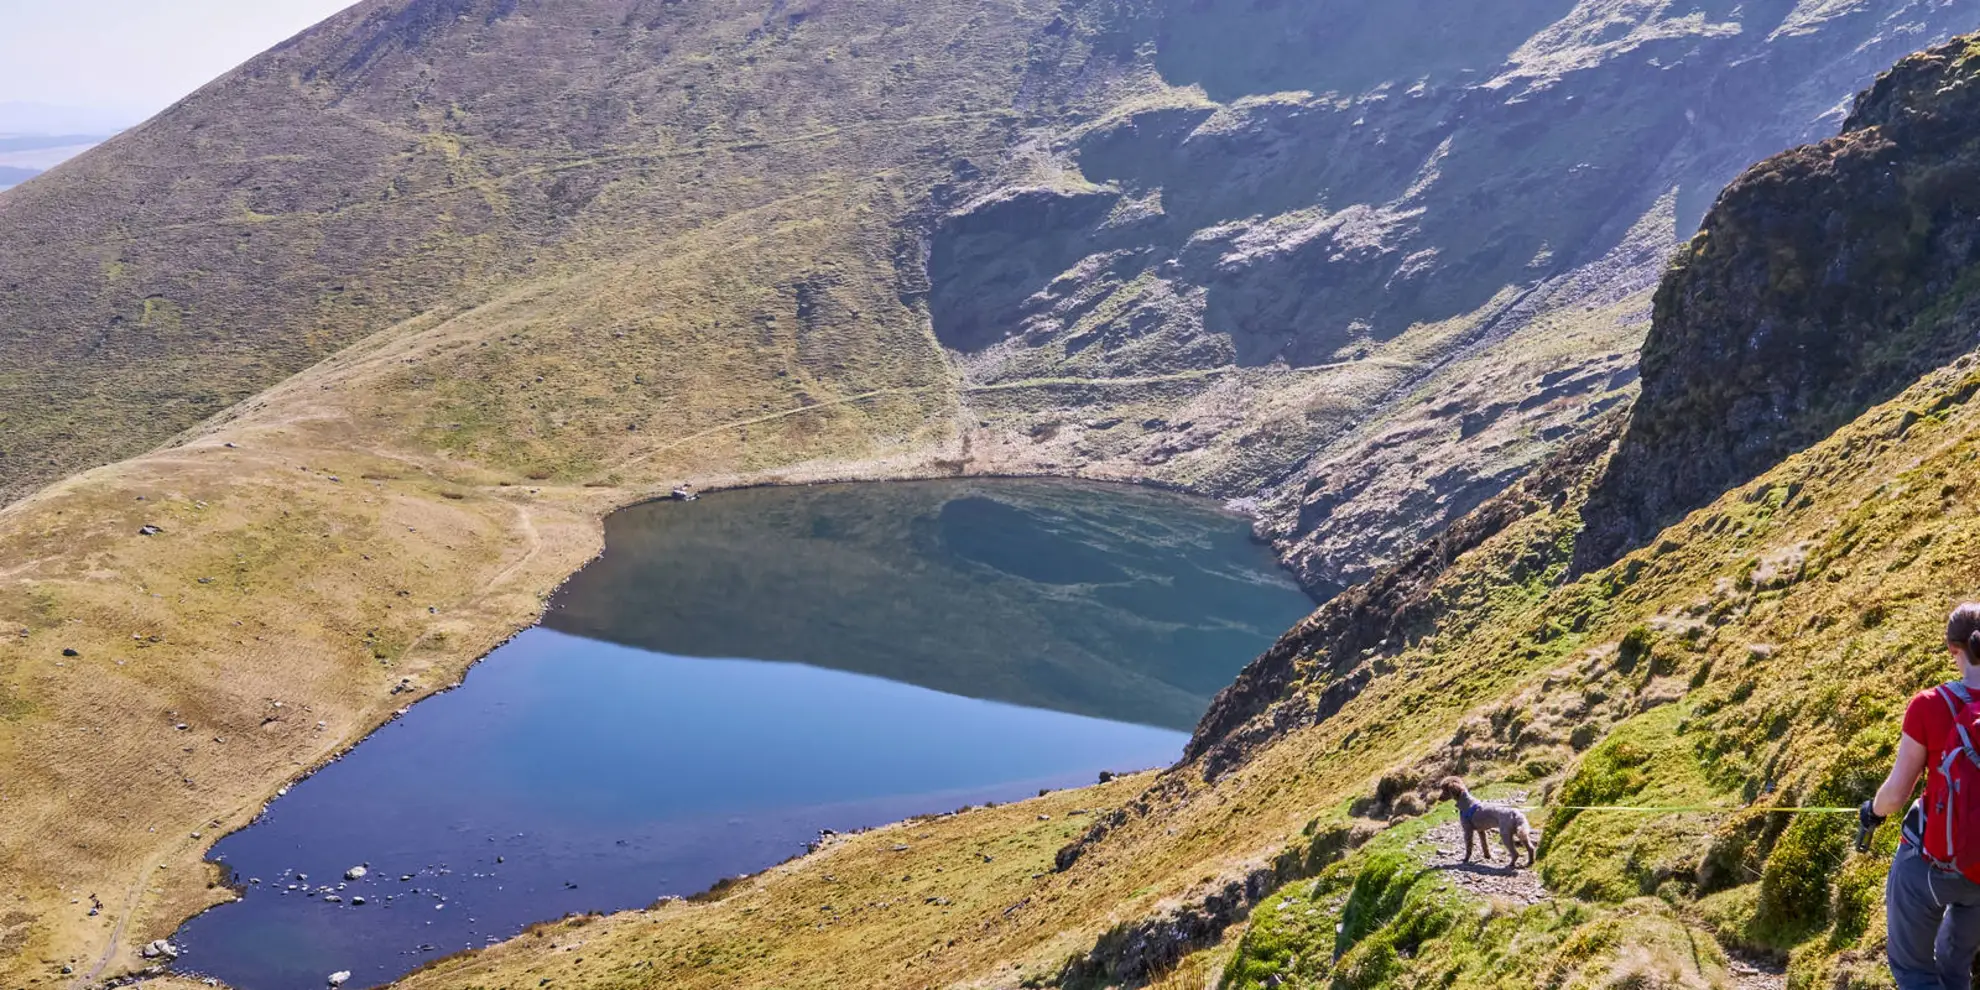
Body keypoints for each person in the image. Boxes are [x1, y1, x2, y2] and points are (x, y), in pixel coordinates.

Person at [1864, 602, 1980, 989]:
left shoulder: (1929, 706)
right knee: (1955, 969)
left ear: (1953, 650)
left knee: (1914, 971)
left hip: (1933, 866)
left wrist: (1872, 813)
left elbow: (1896, 795)